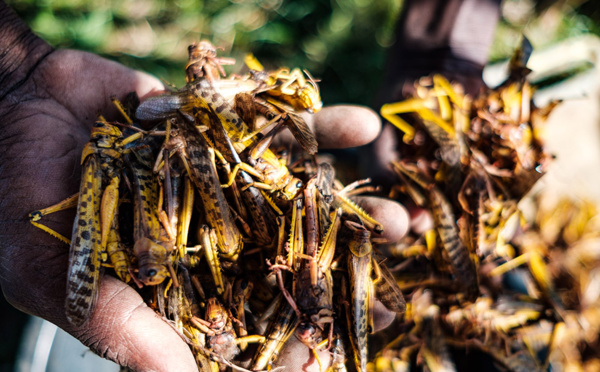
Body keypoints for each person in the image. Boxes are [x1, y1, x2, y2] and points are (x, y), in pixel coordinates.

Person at [0, 1, 410, 371]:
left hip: (248, 210)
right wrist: (20, 84)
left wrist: (21, 78)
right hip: (172, 227)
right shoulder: (127, 156)